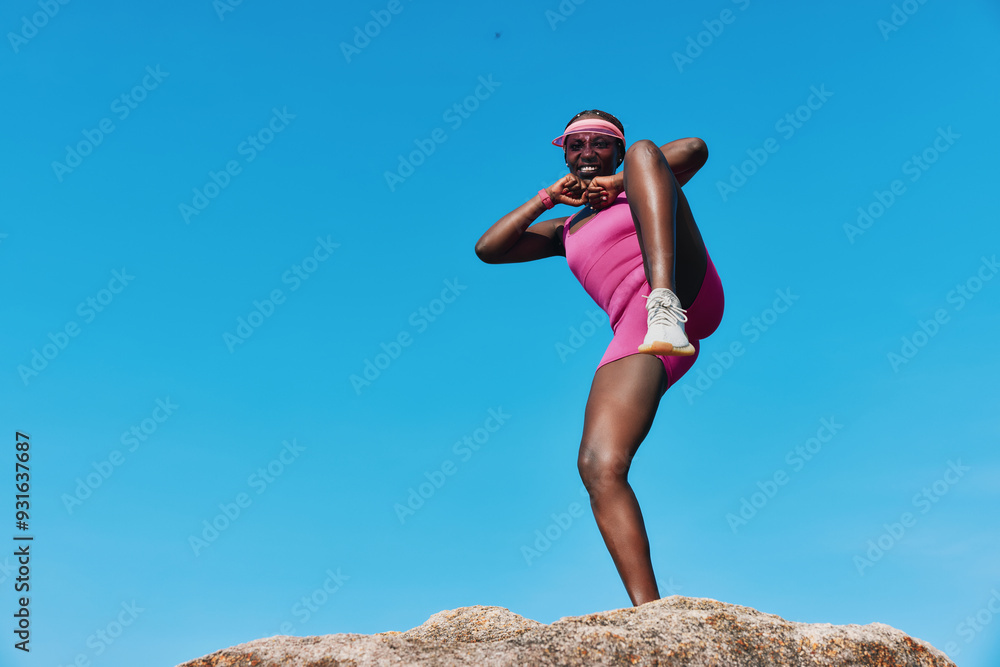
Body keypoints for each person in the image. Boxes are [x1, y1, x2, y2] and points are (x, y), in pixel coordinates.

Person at [474, 109, 724, 607]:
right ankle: (651, 614)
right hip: (637, 331)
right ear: (565, 155)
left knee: (650, 153)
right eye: (576, 145)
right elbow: (489, 248)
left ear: (616, 151)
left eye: (600, 143)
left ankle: (663, 299)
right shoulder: (564, 230)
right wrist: (548, 197)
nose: (588, 152)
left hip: (682, 295)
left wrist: (618, 182)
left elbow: (694, 148)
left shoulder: (641, 180)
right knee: (597, 465)